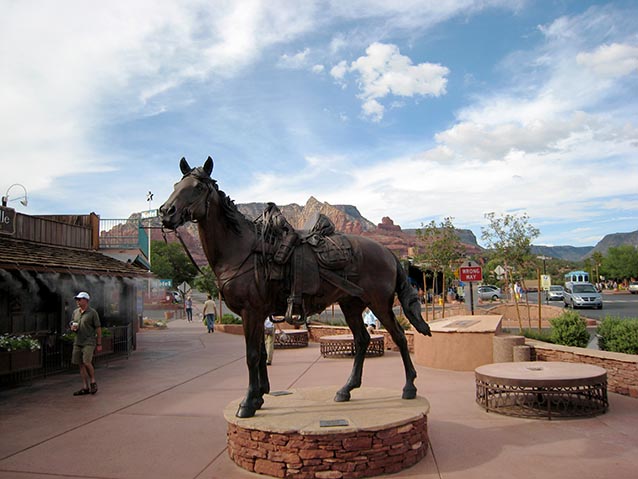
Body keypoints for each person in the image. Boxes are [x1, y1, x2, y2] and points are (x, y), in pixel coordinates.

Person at [70, 291, 102, 396]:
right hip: (78, 341)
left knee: (87, 361)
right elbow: (72, 322)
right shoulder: (75, 312)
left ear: (86, 300)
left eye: (79, 299)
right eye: (77, 300)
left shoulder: (92, 313)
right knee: (80, 364)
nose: (77, 301)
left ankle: (93, 381)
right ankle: (85, 387)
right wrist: (72, 327)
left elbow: (98, 328)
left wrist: (99, 343)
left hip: (89, 341)